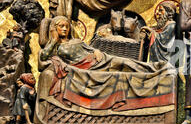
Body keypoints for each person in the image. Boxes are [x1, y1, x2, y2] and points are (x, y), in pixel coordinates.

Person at [37, 15, 175, 117]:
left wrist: (96, 51)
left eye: (67, 26)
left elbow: (89, 48)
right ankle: (153, 75)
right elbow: (43, 57)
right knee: (123, 71)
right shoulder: (56, 46)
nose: (65, 29)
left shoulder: (76, 40)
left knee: (126, 62)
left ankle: (158, 68)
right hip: (88, 68)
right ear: (54, 29)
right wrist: (54, 40)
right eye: (61, 26)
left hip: (100, 59)